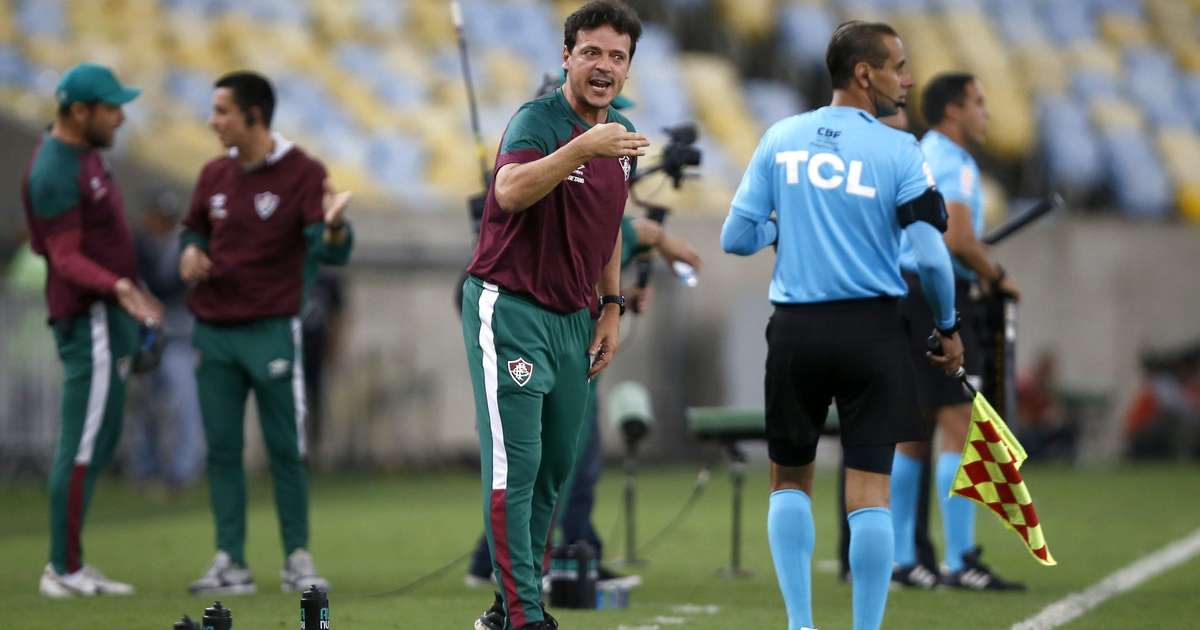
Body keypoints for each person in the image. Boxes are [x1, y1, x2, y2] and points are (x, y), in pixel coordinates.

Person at [721, 21, 962, 630]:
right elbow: (932, 257)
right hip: (874, 333)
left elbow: (735, 237)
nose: (907, 80)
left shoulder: (782, 137)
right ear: (864, 73)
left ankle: (801, 625)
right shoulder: (899, 150)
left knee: (790, 480)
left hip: (797, 331)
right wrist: (949, 325)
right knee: (869, 492)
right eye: (898, 66)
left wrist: (785, 227)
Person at [461, 2, 648, 628]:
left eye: (616, 56)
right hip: (510, 306)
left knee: (555, 471)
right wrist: (581, 149)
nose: (603, 66)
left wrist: (613, 307)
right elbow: (509, 192)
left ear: (628, 67)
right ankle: (524, 615)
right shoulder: (537, 120)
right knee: (516, 465)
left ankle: (507, 604)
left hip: (575, 317)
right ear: (565, 56)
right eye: (591, 52)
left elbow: (610, 226)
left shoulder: (620, 138)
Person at [179, 71, 354, 595]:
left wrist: (336, 226)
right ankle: (230, 560)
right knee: (223, 450)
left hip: (274, 331)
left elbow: (331, 249)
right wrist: (189, 249)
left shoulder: (302, 172)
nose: (213, 122)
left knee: (285, 448)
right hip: (214, 332)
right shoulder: (213, 174)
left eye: (222, 111)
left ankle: (296, 558)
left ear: (254, 115)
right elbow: (193, 228)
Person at [464, 213, 701, 589]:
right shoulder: (585, 201)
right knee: (558, 466)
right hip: (561, 350)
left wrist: (617, 300)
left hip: (562, 344)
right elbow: (629, 232)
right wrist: (667, 245)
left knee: (538, 467)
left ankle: (503, 561)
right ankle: (561, 557)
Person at [21, 61, 163, 597]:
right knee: (80, 442)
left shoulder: (86, 158)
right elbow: (61, 255)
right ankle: (62, 568)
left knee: (100, 439)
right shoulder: (54, 168)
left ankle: (72, 560)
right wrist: (119, 288)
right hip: (91, 317)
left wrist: (134, 286)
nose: (122, 117)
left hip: (109, 312)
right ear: (80, 112)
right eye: (111, 108)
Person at [890, 72, 1024, 592]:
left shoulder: (920, 153)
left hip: (904, 292)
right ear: (953, 110)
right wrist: (998, 277)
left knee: (912, 434)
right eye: (979, 102)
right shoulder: (954, 161)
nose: (987, 112)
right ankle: (961, 559)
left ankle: (906, 560)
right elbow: (961, 240)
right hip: (935, 293)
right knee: (958, 425)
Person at [127, 189, 205, 490]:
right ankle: (146, 467)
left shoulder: (184, 246)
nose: (163, 223)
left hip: (179, 336)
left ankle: (182, 470)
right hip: (146, 335)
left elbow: (176, 285)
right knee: (145, 405)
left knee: (183, 403)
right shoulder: (138, 246)